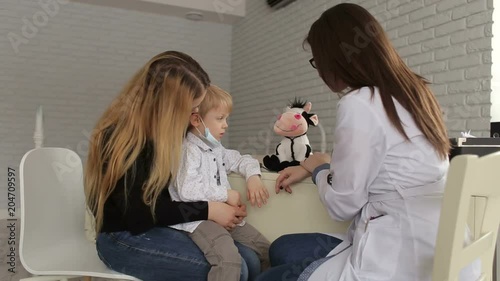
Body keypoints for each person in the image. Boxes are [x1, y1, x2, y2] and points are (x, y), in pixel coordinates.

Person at [256, 3, 480, 281]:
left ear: (335, 58)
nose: (318, 70)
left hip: (401, 257)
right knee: (282, 248)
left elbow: (342, 205)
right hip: (443, 245)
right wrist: (320, 163)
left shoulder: (359, 103)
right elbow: (385, 162)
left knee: (266, 276)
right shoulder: (416, 92)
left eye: (318, 60)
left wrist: (317, 169)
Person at [84, 50, 262, 281]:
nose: (193, 118)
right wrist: (209, 209)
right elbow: (139, 216)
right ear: (169, 107)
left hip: (157, 227)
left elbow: (169, 196)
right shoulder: (122, 141)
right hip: (123, 238)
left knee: (250, 258)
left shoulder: (167, 136)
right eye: (191, 110)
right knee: (237, 268)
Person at [169, 84, 271, 281]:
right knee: (229, 260)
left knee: (265, 250)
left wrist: (253, 177)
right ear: (196, 119)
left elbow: (243, 159)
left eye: (226, 118)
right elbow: (187, 190)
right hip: (198, 221)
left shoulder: (216, 147)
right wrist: (226, 194)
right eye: (220, 118)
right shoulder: (188, 150)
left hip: (225, 216)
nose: (226, 125)